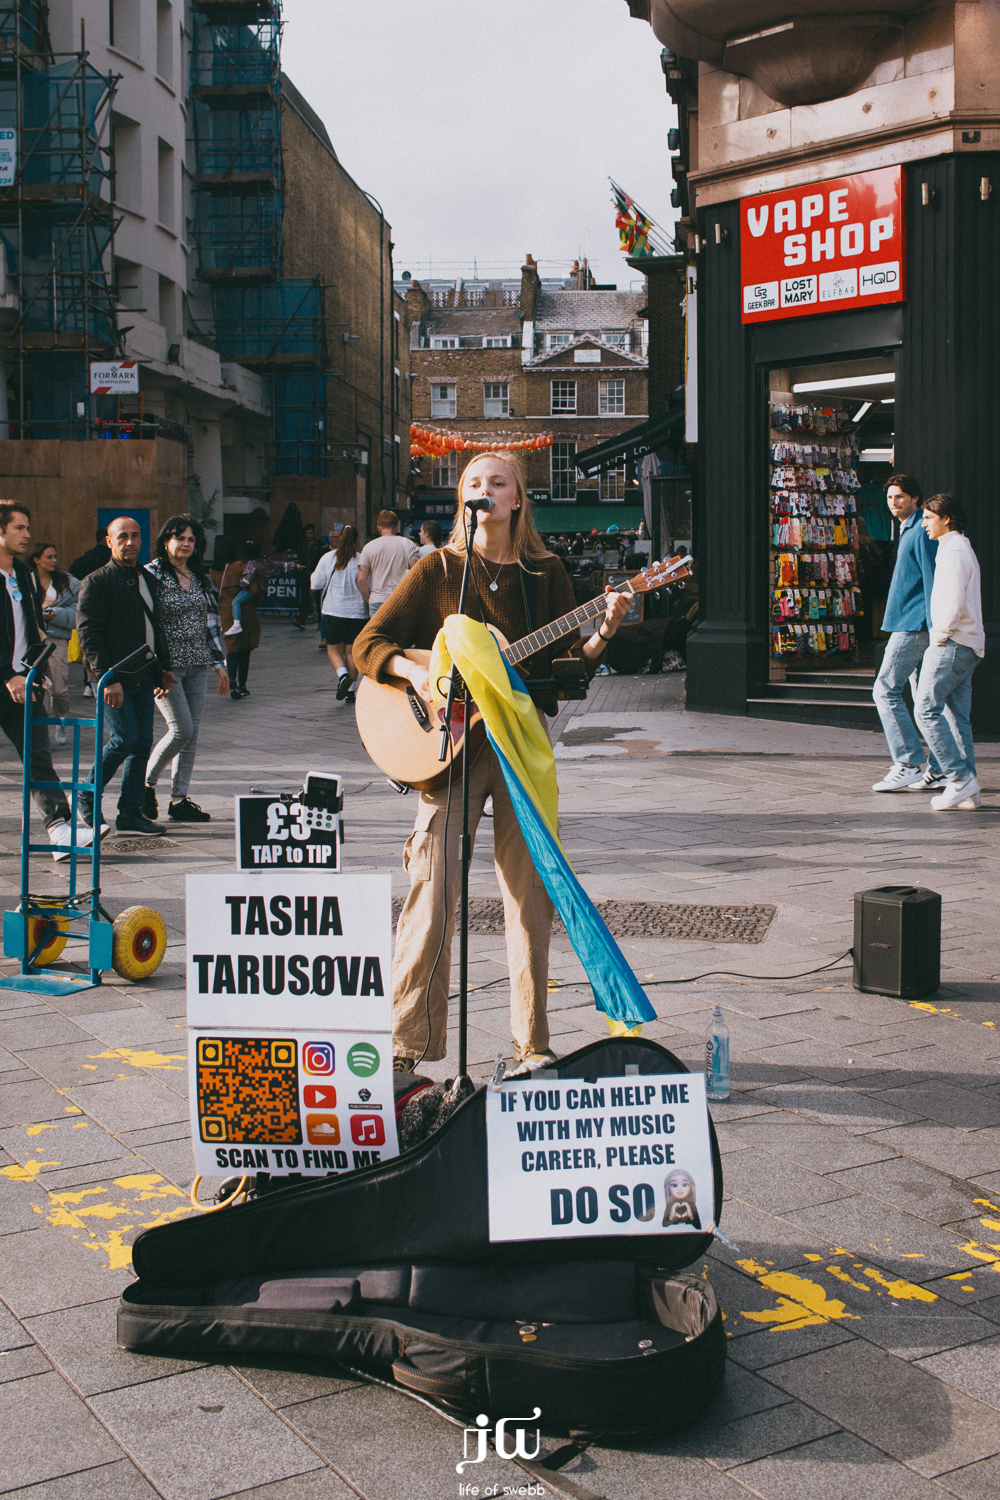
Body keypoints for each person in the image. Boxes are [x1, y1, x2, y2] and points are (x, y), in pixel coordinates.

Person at [353, 451, 630, 1074]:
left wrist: (604, 630)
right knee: (432, 888)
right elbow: (369, 644)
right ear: (463, 500)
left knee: (529, 895)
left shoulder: (546, 572)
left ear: (516, 500)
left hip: (519, 743)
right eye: (473, 483)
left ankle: (531, 1045)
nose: (484, 490)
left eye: (497, 482)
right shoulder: (439, 570)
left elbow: (569, 668)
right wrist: (418, 676)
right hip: (446, 746)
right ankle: (407, 1046)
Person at [0, 505, 103, 861]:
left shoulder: (24, 574)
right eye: (19, 528)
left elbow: (32, 628)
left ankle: (60, 830)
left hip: (22, 681)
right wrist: (6, 674)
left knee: (38, 754)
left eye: (27, 527)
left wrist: (34, 670)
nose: (27, 535)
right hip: (6, 678)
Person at [77, 516, 176, 836]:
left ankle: (130, 813)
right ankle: (86, 795)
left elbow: (154, 627)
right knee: (125, 739)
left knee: (142, 742)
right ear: (109, 542)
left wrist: (163, 668)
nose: (130, 542)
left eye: (135, 536)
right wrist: (107, 677)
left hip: (143, 675)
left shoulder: (147, 578)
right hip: (113, 679)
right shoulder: (96, 581)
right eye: (122, 537)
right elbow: (89, 634)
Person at [142, 515, 228, 823]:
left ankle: (179, 799)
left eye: (191, 539)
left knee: (192, 735)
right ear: (166, 541)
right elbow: (144, 623)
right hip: (167, 668)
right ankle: (145, 784)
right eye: (180, 538)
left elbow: (212, 622)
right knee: (181, 729)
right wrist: (153, 666)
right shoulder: (150, 575)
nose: (186, 544)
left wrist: (219, 664)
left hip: (198, 663)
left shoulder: (198, 576)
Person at [871, 473, 944, 793]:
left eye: (899, 496)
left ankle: (908, 762)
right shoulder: (908, 530)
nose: (893, 503)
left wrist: (935, 625)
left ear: (915, 498)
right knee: (921, 697)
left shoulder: (921, 530)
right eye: (889, 498)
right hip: (912, 622)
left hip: (914, 625)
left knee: (885, 689)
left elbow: (933, 580)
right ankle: (940, 768)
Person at [913, 494, 984, 811]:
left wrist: (939, 637)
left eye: (928, 517)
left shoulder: (953, 551)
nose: (924, 523)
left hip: (952, 643)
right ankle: (969, 790)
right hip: (968, 644)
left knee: (925, 708)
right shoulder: (960, 547)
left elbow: (952, 602)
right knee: (957, 719)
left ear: (946, 518)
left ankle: (958, 778)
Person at [310, 525, 367, 703]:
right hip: (358, 613)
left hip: (333, 612)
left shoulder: (328, 558)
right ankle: (351, 691)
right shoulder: (360, 559)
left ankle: (343, 677)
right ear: (357, 540)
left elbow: (316, 584)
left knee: (334, 650)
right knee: (351, 652)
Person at [30, 542, 79, 745]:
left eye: (55, 557)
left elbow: (77, 611)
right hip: (33, 639)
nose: (54, 561)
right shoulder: (26, 579)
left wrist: (53, 613)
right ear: (36, 559)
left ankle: (61, 720)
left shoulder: (65, 582)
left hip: (56, 638)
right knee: (34, 687)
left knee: (59, 688)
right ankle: (38, 730)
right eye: (49, 557)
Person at [212, 538, 260, 699]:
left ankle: (231, 680)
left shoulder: (214, 570)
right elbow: (254, 589)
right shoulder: (239, 566)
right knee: (245, 649)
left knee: (232, 649)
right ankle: (243, 685)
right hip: (245, 611)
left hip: (225, 610)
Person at [223, 540, 301, 638]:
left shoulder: (252, 564)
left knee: (236, 602)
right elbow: (280, 565)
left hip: (252, 589)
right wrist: (295, 565)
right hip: (262, 590)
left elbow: (246, 581)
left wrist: (240, 582)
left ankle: (236, 624)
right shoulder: (267, 562)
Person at [70, 527, 111, 698]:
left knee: (90, 643)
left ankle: (88, 683)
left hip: (84, 606)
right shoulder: (109, 561)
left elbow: (71, 579)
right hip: (107, 607)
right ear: (106, 539)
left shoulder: (83, 560)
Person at [357, 509, 418, 613]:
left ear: (379, 527)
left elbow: (361, 579)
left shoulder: (368, 547)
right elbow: (417, 574)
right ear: (397, 526)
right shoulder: (409, 544)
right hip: (401, 600)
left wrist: (369, 599)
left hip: (377, 600)